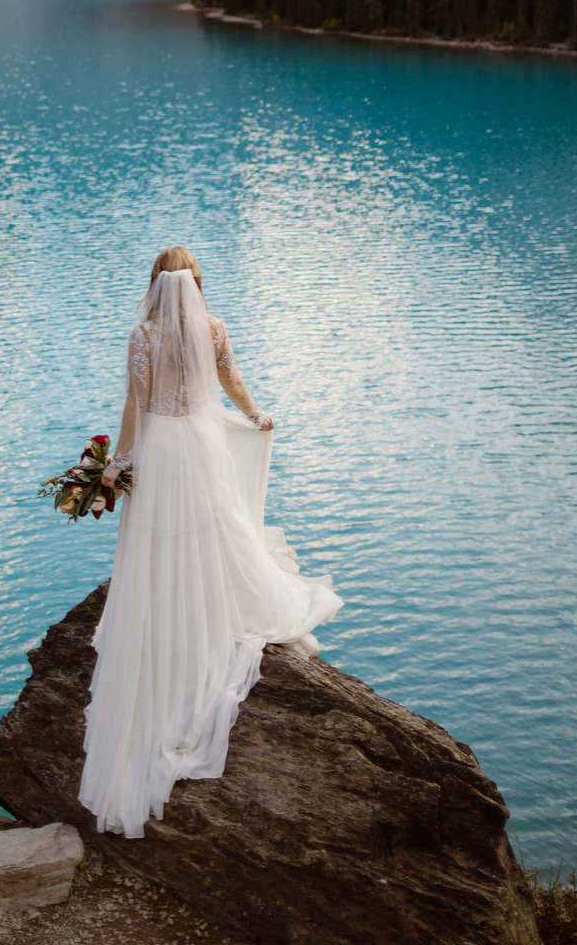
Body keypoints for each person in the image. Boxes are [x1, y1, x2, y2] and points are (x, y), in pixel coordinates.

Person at [79, 247, 342, 836]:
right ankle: (227, 600)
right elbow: (231, 380)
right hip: (202, 443)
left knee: (161, 535)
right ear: (197, 285)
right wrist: (255, 414)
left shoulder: (142, 336)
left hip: (162, 446)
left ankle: (169, 606)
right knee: (216, 526)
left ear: (154, 285)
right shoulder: (215, 329)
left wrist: (116, 466)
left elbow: (135, 405)